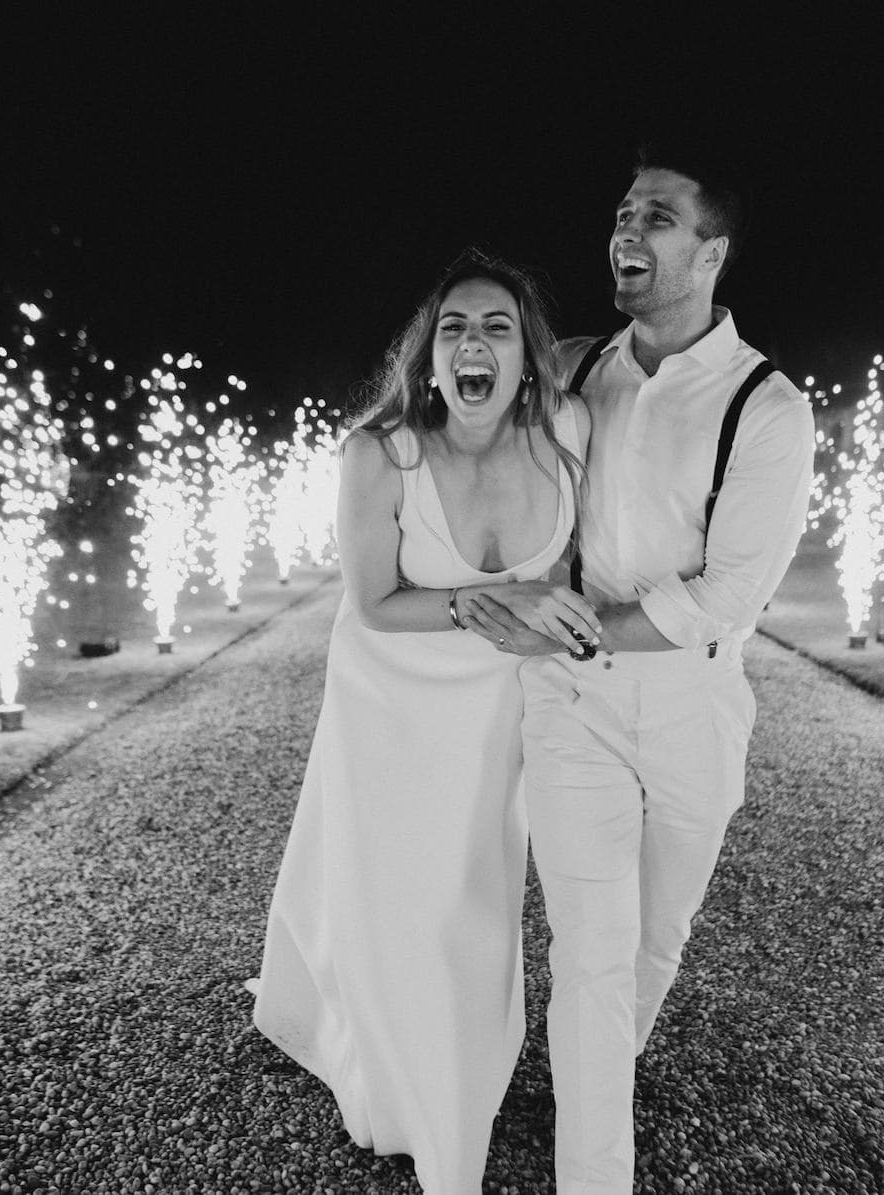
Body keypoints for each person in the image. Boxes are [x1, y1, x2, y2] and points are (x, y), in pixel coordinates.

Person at [463, 144, 815, 1193]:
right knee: (594, 948)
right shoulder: (570, 370)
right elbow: (490, 473)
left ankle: (593, 1069)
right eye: (622, 210)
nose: (626, 230)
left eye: (656, 216)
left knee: (656, 939)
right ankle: (593, 1167)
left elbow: (728, 597)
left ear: (710, 251)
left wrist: (573, 626)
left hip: (692, 705)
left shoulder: (768, 406)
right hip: (568, 702)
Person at [253, 250, 598, 1194]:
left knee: (475, 899)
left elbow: (579, 571)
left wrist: (548, 613)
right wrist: (491, 602)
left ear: (528, 355)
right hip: (389, 699)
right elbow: (371, 601)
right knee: (394, 898)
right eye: (453, 328)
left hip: (496, 708)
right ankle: (411, 1099)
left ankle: (464, 1067)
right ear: (428, 357)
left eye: (496, 326)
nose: (473, 343)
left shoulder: (569, 431)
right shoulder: (380, 452)